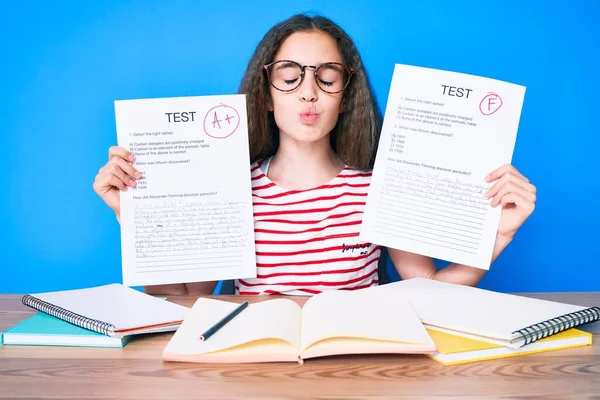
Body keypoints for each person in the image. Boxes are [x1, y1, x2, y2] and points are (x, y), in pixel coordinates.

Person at [93, 14, 537, 296]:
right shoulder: (230, 188)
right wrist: (135, 217)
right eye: (289, 76)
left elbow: (433, 294)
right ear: (265, 95)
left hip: (354, 370)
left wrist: (499, 235)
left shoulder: (378, 188)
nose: (308, 92)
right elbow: (182, 302)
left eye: (327, 76)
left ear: (345, 95)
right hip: (253, 372)